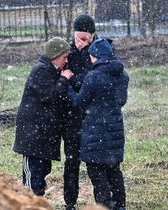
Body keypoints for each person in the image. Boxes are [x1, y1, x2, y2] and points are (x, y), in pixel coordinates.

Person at [67, 38, 129, 210]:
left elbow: (79, 102)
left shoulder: (93, 76)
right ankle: (120, 205)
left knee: (97, 174)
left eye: (92, 57)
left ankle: (105, 206)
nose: (90, 60)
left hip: (96, 133)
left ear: (96, 56)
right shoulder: (123, 75)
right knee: (114, 171)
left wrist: (68, 84)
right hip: (115, 132)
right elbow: (121, 100)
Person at [13, 37, 74, 196]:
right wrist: (64, 78)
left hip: (42, 132)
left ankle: (37, 200)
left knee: (42, 170)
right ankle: (29, 202)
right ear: (55, 56)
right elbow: (51, 96)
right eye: (64, 57)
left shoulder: (51, 69)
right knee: (33, 175)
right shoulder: (41, 70)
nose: (66, 61)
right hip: (33, 133)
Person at [62, 13, 98, 210]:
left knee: (96, 163)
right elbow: (64, 76)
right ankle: (70, 203)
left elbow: (93, 79)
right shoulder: (68, 51)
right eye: (77, 37)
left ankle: (102, 201)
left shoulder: (100, 50)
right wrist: (76, 80)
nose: (80, 42)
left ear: (92, 35)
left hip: (93, 117)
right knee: (71, 162)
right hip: (72, 117)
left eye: (84, 38)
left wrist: (76, 79)